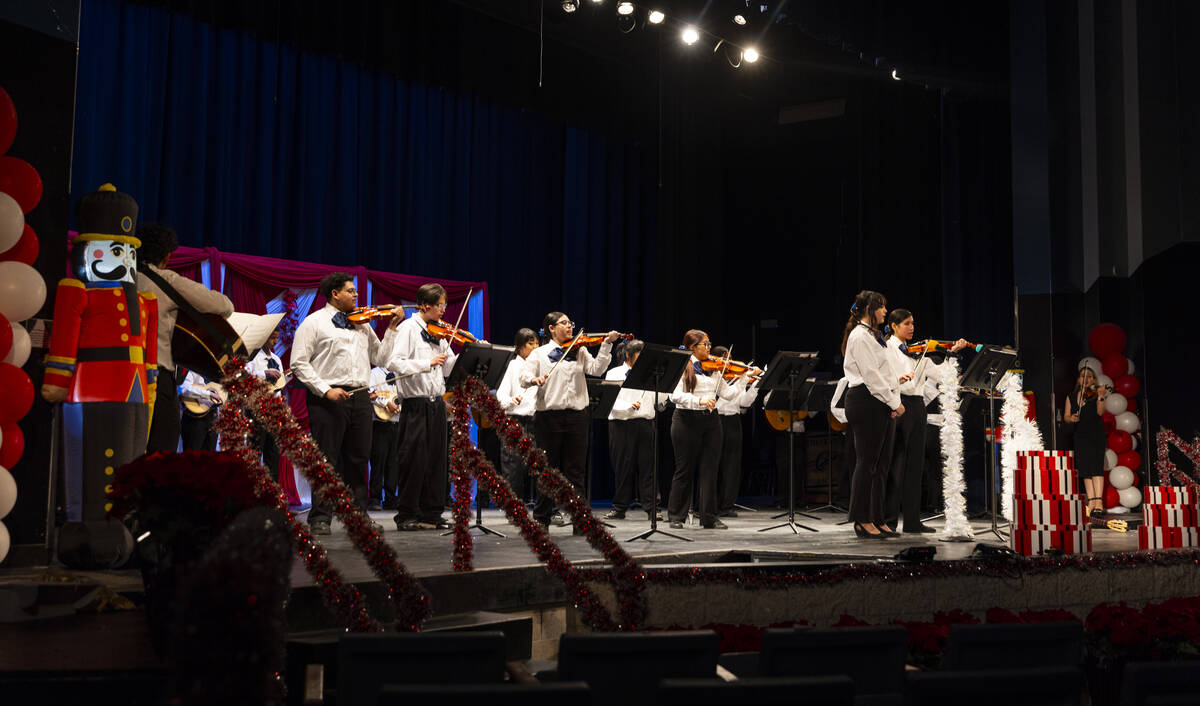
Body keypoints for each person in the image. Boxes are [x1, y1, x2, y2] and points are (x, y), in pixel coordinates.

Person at [291, 273, 402, 535]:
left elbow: (381, 358)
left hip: (361, 396)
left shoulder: (363, 324)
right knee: (326, 458)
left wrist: (392, 329)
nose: (356, 295)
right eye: (351, 291)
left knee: (359, 458)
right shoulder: (314, 322)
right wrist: (325, 390)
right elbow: (298, 363)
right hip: (328, 397)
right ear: (334, 294)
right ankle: (320, 517)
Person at [135, 222, 234, 453]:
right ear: (167, 256)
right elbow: (224, 305)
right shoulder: (166, 280)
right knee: (160, 452)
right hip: (156, 378)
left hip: (120, 375)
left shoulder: (123, 278)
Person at [520, 313, 620, 529]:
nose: (569, 327)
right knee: (548, 469)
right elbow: (523, 376)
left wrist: (606, 345)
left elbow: (597, 370)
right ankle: (542, 520)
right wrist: (533, 379)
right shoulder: (539, 353)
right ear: (551, 328)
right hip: (548, 417)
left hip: (577, 416)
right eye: (564, 323)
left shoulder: (580, 349)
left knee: (576, 471)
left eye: (570, 323)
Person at [386, 283, 463, 531]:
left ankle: (432, 513)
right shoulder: (408, 328)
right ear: (425, 305)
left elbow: (448, 367)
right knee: (413, 459)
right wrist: (426, 362)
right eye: (440, 305)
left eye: (444, 305)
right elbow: (394, 362)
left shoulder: (439, 332)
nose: (443, 310)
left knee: (436, 460)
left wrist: (469, 353)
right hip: (416, 404)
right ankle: (408, 514)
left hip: (436, 404)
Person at [666, 330, 752, 530]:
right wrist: (700, 400)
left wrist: (744, 378)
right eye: (704, 344)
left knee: (710, 470)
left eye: (709, 343)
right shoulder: (682, 366)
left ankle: (709, 517)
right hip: (686, 420)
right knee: (684, 469)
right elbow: (674, 395)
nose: (708, 348)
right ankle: (676, 516)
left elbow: (729, 394)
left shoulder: (714, 369)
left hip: (711, 422)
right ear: (692, 347)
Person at [841, 290, 904, 540]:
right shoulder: (859, 336)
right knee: (867, 463)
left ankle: (877, 517)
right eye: (881, 307)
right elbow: (870, 375)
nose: (885, 312)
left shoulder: (874, 335)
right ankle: (861, 519)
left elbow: (886, 371)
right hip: (865, 400)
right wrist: (893, 402)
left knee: (881, 465)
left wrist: (893, 400)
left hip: (879, 400)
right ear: (869, 309)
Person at [603, 339, 662, 521]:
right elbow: (610, 402)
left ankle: (652, 508)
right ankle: (619, 507)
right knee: (623, 467)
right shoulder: (614, 373)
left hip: (645, 423)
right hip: (622, 424)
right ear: (628, 355)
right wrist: (629, 406)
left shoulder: (650, 373)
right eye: (639, 354)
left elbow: (659, 400)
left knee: (648, 468)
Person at [710, 345, 759, 518]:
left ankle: (727, 505)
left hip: (732, 421)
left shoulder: (737, 377)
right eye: (726, 359)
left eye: (730, 358)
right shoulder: (711, 376)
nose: (730, 363)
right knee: (713, 464)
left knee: (732, 465)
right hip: (715, 419)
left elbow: (744, 402)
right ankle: (710, 505)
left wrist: (756, 386)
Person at [495, 328, 539, 502]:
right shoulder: (514, 366)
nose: (535, 347)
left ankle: (547, 510)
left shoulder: (538, 366)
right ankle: (514, 506)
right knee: (513, 466)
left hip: (535, 421)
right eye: (530, 343)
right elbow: (501, 397)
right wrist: (512, 400)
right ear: (520, 347)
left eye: (537, 343)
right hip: (515, 420)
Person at [1065, 365, 1109, 515]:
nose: (1086, 378)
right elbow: (1066, 416)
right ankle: (1091, 501)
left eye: (1090, 376)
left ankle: (1099, 501)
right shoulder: (1071, 396)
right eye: (1083, 375)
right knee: (1085, 468)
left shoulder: (1095, 393)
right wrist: (1071, 418)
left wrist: (1101, 396)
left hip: (1096, 434)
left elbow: (1100, 412)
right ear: (1079, 379)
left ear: (1093, 379)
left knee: (1096, 466)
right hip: (1080, 435)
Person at [245, 328, 284, 479]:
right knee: (255, 449)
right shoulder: (253, 357)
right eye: (272, 338)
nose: (275, 342)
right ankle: (253, 491)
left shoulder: (277, 359)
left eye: (276, 338)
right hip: (256, 409)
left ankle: (272, 493)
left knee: (273, 453)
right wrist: (264, 373)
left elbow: (278, 385)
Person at [367, 365, 401, 510]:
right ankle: (374, 498)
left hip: (397, 423)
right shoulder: (374, 373)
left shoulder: (401, 373)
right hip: (380, 424)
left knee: (393, 464)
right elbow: (369, 394)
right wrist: (385, 402)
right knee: (378, 462)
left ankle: (391, 498)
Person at [179, 369, 222, 451]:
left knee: (209, 458)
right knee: (192, 457)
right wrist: (208, 394)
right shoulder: (191, 367)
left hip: (213, 416)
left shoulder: (217, 370)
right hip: (194, 417)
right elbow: (184, 388)